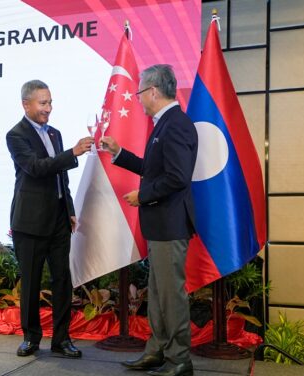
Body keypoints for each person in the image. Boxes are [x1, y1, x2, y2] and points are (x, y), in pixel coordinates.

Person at [100, 64, 198, 376]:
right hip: (160, 225)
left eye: (140, 91)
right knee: (157, 296)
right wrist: (119, 154)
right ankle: (157, 351)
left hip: (169, 225)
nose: (138, 98)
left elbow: (177, 178)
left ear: (153, 91)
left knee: (171, 296)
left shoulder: (176, 124)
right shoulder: (164, 124)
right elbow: (152, 170)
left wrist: (142, 197)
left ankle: (180, 360)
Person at [6, 79, 93, 358]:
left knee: (62, 280)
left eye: (50, 102)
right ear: (26, 104)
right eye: (43, 103)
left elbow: (60, 176)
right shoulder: (16, 135)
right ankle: (31, 338)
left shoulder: (54, 133)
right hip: (30, 222)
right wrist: (73, 153)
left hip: (58, 219)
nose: (48, 108)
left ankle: (61, 339)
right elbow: (36, 168)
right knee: (31, 283)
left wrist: (69, 209)